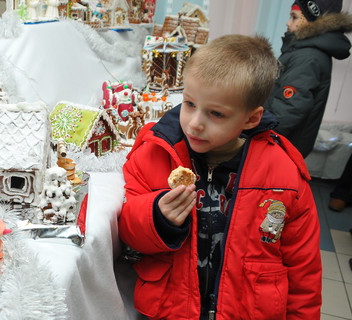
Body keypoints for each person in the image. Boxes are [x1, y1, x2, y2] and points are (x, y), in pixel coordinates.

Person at [119, 35, 322, 319]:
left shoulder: (284, 175)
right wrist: (156, 217)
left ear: (251, 118)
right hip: (171, 309)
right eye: (189, 104)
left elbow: (305, 271)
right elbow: (127, 232)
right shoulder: (154, 154)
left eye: (215, 113)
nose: (195, 123)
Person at [263, 0, 352, 158]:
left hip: (279, 146)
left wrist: (257, 133)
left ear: (312, 23)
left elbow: (288, 110)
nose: (288, 22)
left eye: (294, 17)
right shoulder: (303, 52)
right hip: (281, 144)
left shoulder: (307, 57)